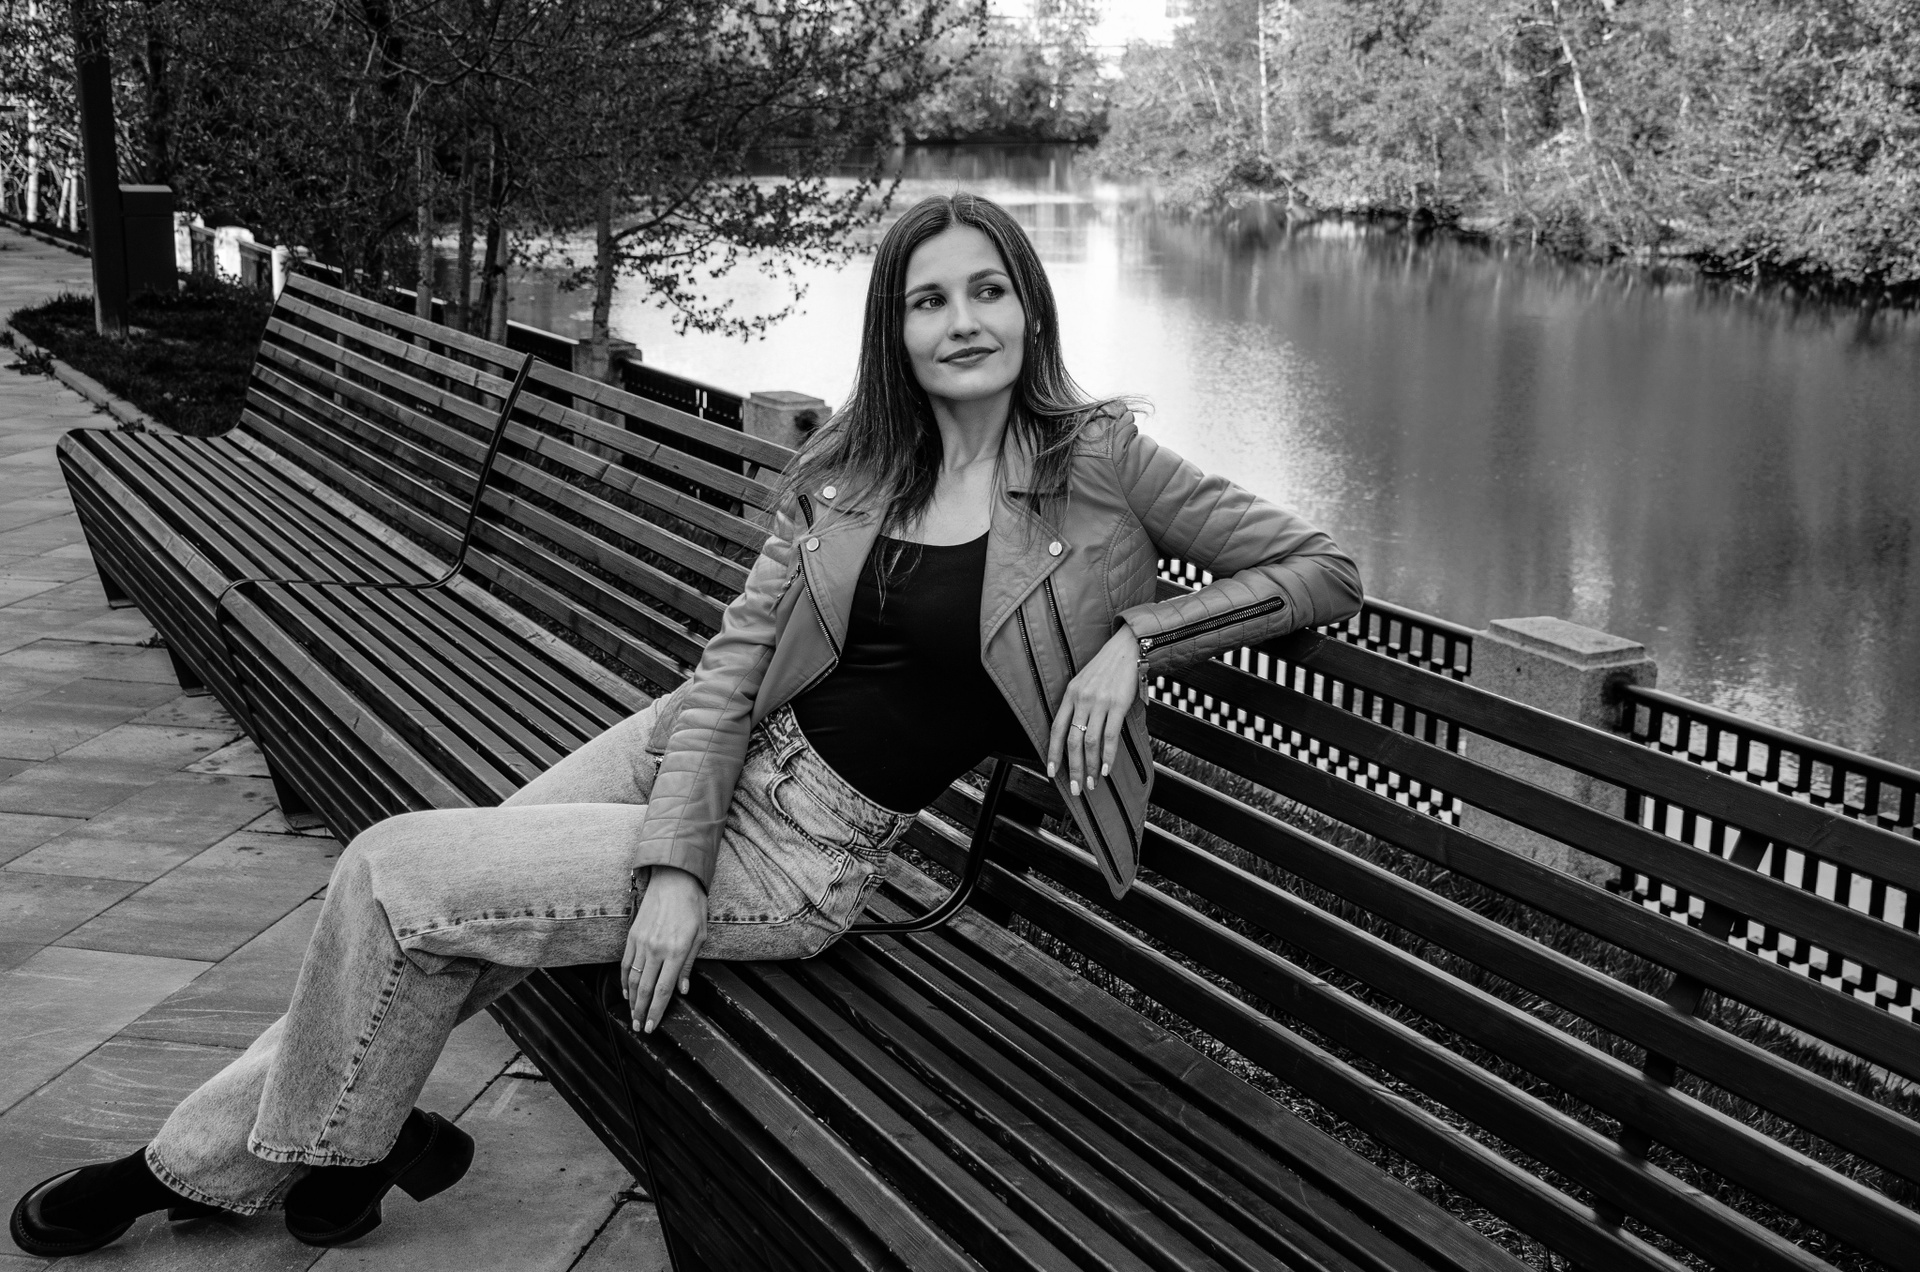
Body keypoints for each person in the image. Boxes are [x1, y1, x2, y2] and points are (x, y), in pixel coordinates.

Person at [10, 192, 1362, 1257]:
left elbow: (1321, 567)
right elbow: (731, 670)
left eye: (989, 290)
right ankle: (349, 1142)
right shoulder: (853, 469)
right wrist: (671, 860)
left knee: (391, 875)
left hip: (807, 853)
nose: (964, 322)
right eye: (929, 299)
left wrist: (1137, 639)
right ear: (893, 330)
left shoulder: (1101, 463)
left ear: (1030, 306)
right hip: (699, 749)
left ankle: (209, 1164)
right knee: (429, 906)